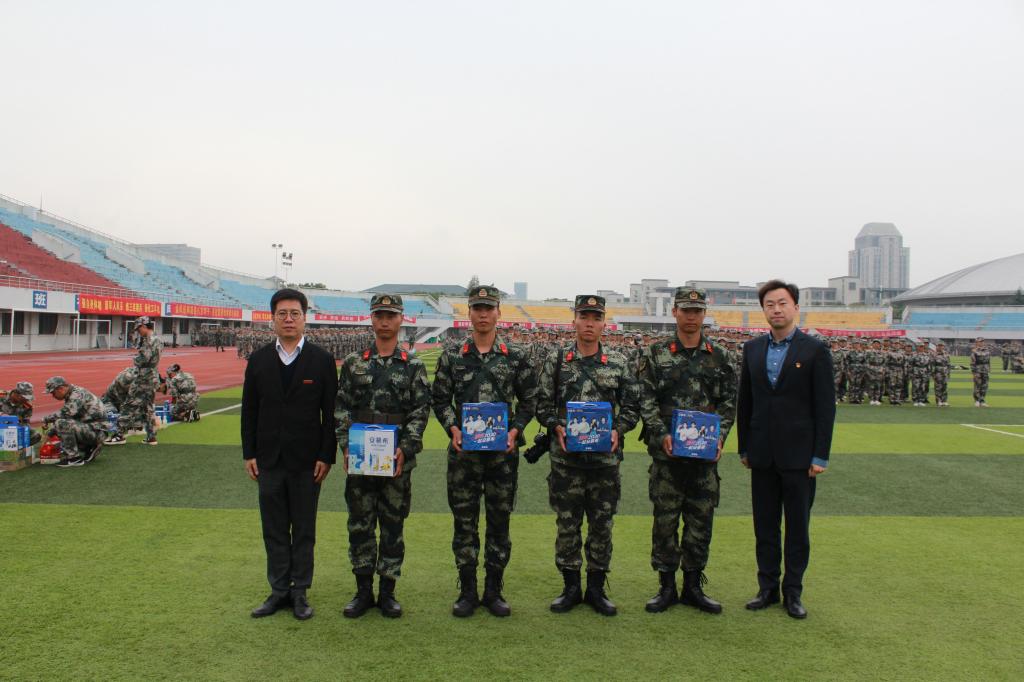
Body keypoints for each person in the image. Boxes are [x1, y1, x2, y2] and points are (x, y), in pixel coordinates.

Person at [431, 285, 537, 618]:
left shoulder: (515, 356)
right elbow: (439, 399)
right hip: (464, 456)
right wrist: (452, 428)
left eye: (488, 308)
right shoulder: (452, 355)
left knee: (499, 523)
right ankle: (467, 590)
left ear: (498, 313)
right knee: (464, 522)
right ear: (469, 313)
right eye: (477, 308)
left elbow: (530, 400)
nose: (483, 314)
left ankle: (493, 590)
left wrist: (516, 430)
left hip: (501, 458)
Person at [534, 295, 640, 617]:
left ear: (604, 323)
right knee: (567, 525)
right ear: (575, 321)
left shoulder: (618, 362)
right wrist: (555, 426)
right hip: (566, 461)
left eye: (596, 317)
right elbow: (541, 404)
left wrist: (618, 430)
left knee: (601, 525)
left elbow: (632, 407)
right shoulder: (557, 360)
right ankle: (570, 588)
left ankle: (595, 588)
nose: (590, 323)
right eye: (584, 316)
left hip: (604, 462)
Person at [737, 280, 836, 619]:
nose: (776, 309)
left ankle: (792, 592)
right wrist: (744, 447)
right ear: (763, 310)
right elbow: (746, 402)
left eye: (782, 303)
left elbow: (825, 408)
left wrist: (820, 455)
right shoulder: (752, 349)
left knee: (797, 528)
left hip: (799, 457)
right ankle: (766, 588)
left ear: (795, 307)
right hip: (762, 454)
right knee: (765, 527)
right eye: (770, 304)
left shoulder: (815, 350)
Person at [241, 288, 338, 620]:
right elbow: (249, 411)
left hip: (307, 462)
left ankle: (300, 592)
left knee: (304, 530)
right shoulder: (258, 360)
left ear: (304, 318)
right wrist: (249, 453)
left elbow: (330, 415)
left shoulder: (322, 360)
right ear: (273, 319)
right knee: (274, 528)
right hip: (268, 460)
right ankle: (279, 590)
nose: (288, 319)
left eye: (294, 313)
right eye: (282, 313)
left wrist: (326, 456)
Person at [638, 287, 735, 615]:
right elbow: (646, 399)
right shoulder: (656, 353)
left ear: (704, 314)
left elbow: (729, 402)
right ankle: (666, 587)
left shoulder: (720, 356)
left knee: (700, 520)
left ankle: (693, 586)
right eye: (685, 310)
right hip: (667, 455)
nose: (691, 316)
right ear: (675, 312)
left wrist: (720, 437)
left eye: (697, 311)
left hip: (704, 457)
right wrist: (660, 433)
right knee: (665, 521)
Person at [335, 294, 431, 619]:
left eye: (391, 315)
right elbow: (342, 407)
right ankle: (363, 591)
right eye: (379, 315)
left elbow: (420, 410)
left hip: (396, 460)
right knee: (360, 525)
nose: (385, 321)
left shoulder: (413, 365)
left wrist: (407, 446)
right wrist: (346, 445)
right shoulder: (354, 363)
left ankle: (388, 592)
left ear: (401, 319)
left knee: (392, 525)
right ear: (371, 319)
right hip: (362, 458)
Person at [107, 316, 162, 446]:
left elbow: (144, 358)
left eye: (139, 329)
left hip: (143, 377)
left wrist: (135, 360)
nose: (138, 331)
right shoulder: (157, 339)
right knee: (148, 408)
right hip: (152, 376)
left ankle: (119, 435)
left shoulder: (149, 340)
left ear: (144, 326)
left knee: (129, 405)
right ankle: (151, 437)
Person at [41, 376, 107, 468]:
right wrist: (50, 434)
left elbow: (64, 414)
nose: (53, 396)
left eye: (53, 392)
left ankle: (74, 459)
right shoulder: (72, 393)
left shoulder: (76, 395)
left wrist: (46, 419)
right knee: (61, 425)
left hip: (96, 432)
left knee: (61, 423)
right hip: (93, 429)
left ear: (61, 389)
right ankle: (89, 447)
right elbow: (69, 416)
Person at [971, 337, 991, 407]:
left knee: (984, 386)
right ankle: (977, 400)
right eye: (980, 341)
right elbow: (973, 362)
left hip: (985, 370)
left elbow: (988, 361)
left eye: (982, 341)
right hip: (978, 370)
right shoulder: (974, 351)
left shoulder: (987, 350)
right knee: (977, 385)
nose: (982, 343)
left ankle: (982, 400)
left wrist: (989, 369)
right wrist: (974, 372)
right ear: (976, 343)